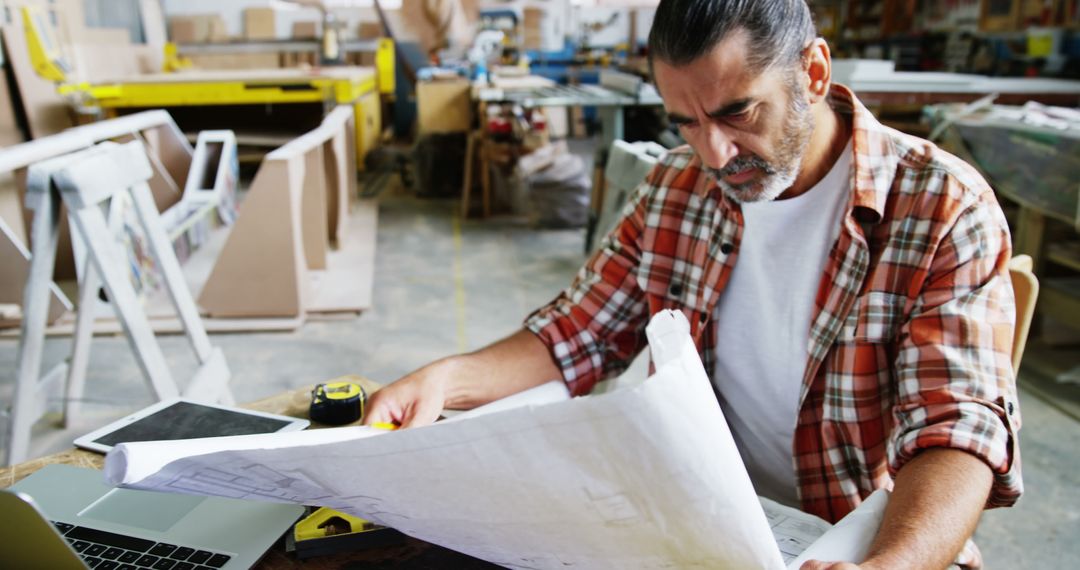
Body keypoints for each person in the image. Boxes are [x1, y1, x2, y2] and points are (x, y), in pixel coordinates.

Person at [364, 1, 1023, 568]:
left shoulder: (940, 206)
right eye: (685, 122)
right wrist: (447, 380)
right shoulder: (676, 189)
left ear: (814, 73)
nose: (714, 154)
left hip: (862, 540)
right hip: (704, 521)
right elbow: (575, 333)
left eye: (738, 113)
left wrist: (894, 561)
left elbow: (955, 430)